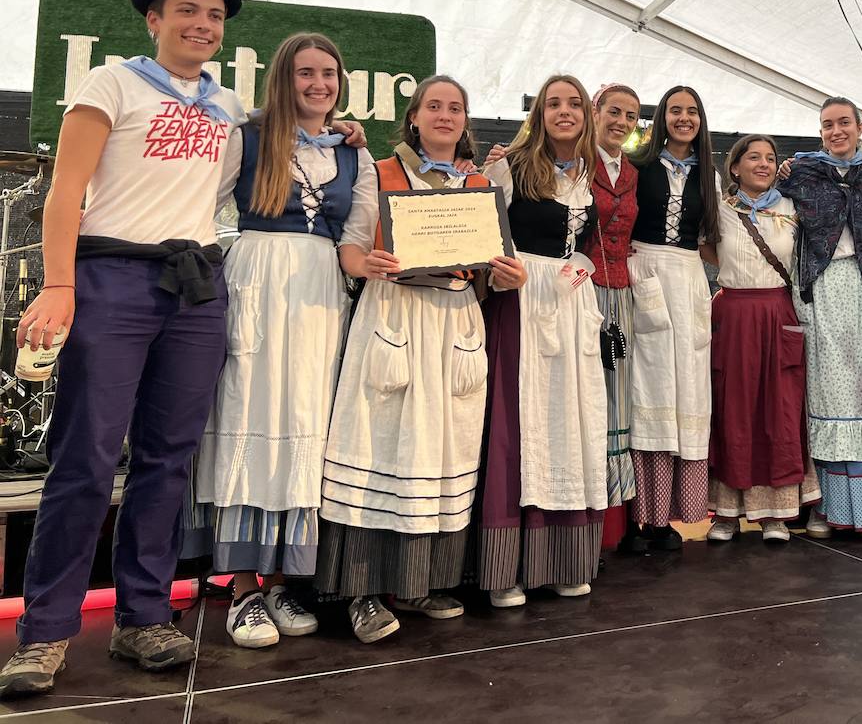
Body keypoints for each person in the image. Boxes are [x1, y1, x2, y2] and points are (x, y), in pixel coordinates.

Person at [0, 0, 249, 697]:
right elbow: (65, 191)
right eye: (186, 12)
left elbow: (222, 192)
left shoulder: (226, 104)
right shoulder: (112, 83)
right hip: (111, 278)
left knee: (169, 458)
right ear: (152, 20)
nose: (202, 24)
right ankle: (44, 633)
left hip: (195, 285)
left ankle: (144, 616)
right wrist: (58, 284)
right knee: (85, 455)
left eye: (213, 16)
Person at [315, 75, 525, 643]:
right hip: (395, 310)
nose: (444, 115)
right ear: (414, 116)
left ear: (465, 122)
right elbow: (351, 246)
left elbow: (494, 265)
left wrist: (510, 275)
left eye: (455, 108)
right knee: (377, 441)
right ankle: (360, 591)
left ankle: (421, 581)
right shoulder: (378, 171)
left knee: (442, 448)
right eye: (434, 105)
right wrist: (367, 265)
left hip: (456, 316)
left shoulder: (482, 184)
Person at [187, 33, 375, 648]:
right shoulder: (248, 137)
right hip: (258, 285)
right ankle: (241, 586)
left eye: (329, 72)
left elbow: (356, 233)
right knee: (248, 414)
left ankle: (283, 583)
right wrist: (223, 275)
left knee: (308, 424)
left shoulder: (353, 154)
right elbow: (203, 208)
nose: (319, 84)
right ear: (282, 80)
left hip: (321, 294)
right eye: (305, 73)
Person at [475, 75, 607, 606]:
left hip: (571, 305)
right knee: (517, 422)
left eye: (574, 103)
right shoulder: (507, 166)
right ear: (539, 114)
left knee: (570, 422)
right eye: (553, 104)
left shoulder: (589, 171)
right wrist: (500, 272)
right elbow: (482, 236)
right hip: (522, 300)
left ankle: (563, 559)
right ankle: (506, 567)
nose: (564, 111)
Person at [779, 97, 862, 537]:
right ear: (820, 132)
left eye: (844, 123)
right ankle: (829, 507)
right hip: (821, 287)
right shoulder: (800, 173)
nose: (836, 131)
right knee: (827, 394)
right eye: (827, 125)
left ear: (859, 127)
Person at [704, 135, 817, 543]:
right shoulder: (719, 208)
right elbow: (705, 248)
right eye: (754, 157)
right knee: (732, 409)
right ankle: (727, 514)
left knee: (780, 408)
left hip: (778, 310)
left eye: (770, 158)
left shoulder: (791, 207)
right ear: (734, 167)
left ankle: (776, 514)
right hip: (733, 312)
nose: (764, 164)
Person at [623, 86, 721, 552]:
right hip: (648, 272)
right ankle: (647, 518)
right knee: (652, 390)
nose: (685, 118)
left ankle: (679, 515)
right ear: (661, 117)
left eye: (693, 111)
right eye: (676, 111)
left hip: (688, 277)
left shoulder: (709, 174)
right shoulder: (638, 168)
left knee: (689, 392)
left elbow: (711, 238)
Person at [580, 83, 641, 511]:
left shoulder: (635, 172)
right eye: (613, 112)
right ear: (595, 112)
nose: (621, 122)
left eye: (631, 117)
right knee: (588, 389)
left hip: (622, 293)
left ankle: (615, 511)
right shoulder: (577, 165)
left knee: (620, 391)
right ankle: (584, 497)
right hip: (581, 289)